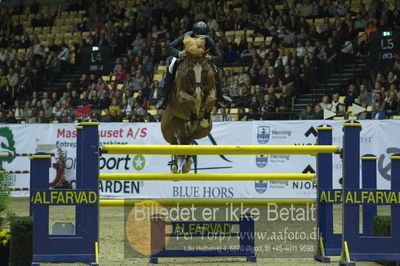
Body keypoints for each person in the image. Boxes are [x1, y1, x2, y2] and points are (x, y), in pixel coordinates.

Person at [157, 21, 232, 109]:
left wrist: (211, 58)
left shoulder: (208, 39)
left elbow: (218, 57)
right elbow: (169, 47)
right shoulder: (186, 36)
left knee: (215, 69)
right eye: (198, 37)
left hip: (202, 59)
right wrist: (179, 53)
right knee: (171, 67)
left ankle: (220, 94)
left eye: (202, 37)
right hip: (184, 57)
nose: (200, 39)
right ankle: (164, 98)